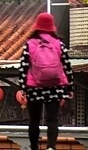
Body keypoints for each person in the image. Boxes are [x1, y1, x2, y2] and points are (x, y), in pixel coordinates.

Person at [19, 12, 73, 150]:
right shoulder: (59, 44)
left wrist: (22, 88)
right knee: (52, 119)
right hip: (55, 86)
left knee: (34, 121)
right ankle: (51, 147)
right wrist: (69, 87)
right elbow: (67, 66)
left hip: (34, 87)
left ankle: (34, 147)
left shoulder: (29, 44)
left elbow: (24, 67)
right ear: (51, 27)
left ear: (36, 26)